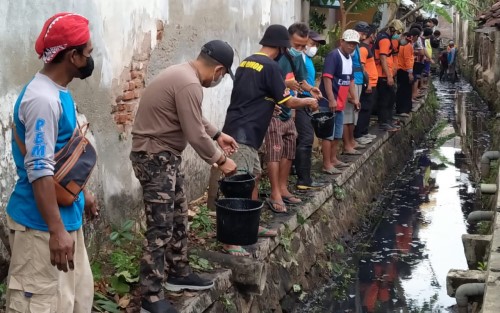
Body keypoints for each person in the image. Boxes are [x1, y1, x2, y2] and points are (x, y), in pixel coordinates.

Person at [131, 40, 239, 312]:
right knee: (160, 228)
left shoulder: (183, 74)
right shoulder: (189, 83)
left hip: (164, 157)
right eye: (223, 76)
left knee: (178, 215)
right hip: (155, 158)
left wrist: (218, 134)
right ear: (219, 70)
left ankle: (178, 272)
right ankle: (151, 296)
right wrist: (220, 160)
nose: (219, 80)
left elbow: (195, 118)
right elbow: (194, 133)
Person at [5, 13, 96, 312]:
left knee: (73, 302)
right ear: (73, 56)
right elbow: (41, 171)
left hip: (64, 221)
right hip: (41, 229)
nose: (91, 59)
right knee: (41, 304)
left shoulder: (59, 92)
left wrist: (83, 193)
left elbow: (61, 157)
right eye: (88, 53)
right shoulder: (42, 100)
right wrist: (56, 232)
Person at [221, 24, 318, 255]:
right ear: (281, 47)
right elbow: (289, 102)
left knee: (253, 176)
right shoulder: (271, 67)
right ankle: (231, 241)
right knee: (240, 186)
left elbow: (252, 92)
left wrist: (268, 103)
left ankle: (251, 226)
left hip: (238, 126)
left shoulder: (247, 61)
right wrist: (308, 102)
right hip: (245, 133)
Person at [264, 22, 322, 212]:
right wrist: (284, 82)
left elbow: (300, 80)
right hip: (273, 110)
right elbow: (263, 81)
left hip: (291, 109)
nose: (299, 49)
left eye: (302, 46)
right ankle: (274, 194)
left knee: (289, 149)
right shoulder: (271, 57)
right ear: (286, 40)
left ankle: (283, 188)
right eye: (296, 45)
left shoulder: (296, 58)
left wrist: (310, 89)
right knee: (274, 151)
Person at [320, 29, 360, 174]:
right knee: (327, 134)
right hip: (330, 101)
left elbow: (351, 80)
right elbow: (327, 78)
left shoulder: (349, 58)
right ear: (342, 42)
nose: (351, 46)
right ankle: (326, 164)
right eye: (349, 43)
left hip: (341, 101)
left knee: (337, 132)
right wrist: (331, 99)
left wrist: (355, 98)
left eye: (354, 44)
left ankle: (333, 158)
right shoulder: (334, 56)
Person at [295, 30, 327, 190]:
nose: (314, 48)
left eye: (316, 45)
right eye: (312, 44)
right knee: (306, 138)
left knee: (303, 139)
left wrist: (312, 90)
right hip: (300, 102)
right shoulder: (298, 57)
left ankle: (300, 174)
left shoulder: (306, 58)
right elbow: (296, 81)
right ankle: (304, 180)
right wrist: (307, 96)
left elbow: (303, 81)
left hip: (307, 100)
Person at [374, 19, 404, 132]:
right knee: (385, 99)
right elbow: (383, 58)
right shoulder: (385, 40)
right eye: (398, 32)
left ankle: (388, 121)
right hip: (382, 75)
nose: (398, 35)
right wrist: (389, 76)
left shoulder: (385, 38)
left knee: (390, 98)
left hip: (385, 74)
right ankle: (384, 122)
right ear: (393, 29)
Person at [341, 22, 365, 157]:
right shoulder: (344, 54)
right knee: (348, 115)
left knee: (353, 114)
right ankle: (347, 143)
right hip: (353, 82)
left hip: (357, 80)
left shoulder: (355, 49)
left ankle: (351, 141)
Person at [354, 24, 378, 143]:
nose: (375, 36)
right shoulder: (362, 48)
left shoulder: (366, 47)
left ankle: (364, 131)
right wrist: (367, 83)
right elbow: (362, 67)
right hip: (367, 83)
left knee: (368, 109)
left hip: (372, 82)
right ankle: (359, 134)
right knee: (364, 109)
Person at [396, 29, 420, 116]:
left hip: (401, 69)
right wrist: (410, 73)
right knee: (405, 90)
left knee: (402, 90)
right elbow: (407, 59)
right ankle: (403, 110)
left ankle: (403, 109)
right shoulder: (407, 46)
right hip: (404, 70)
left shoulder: (403, 45)